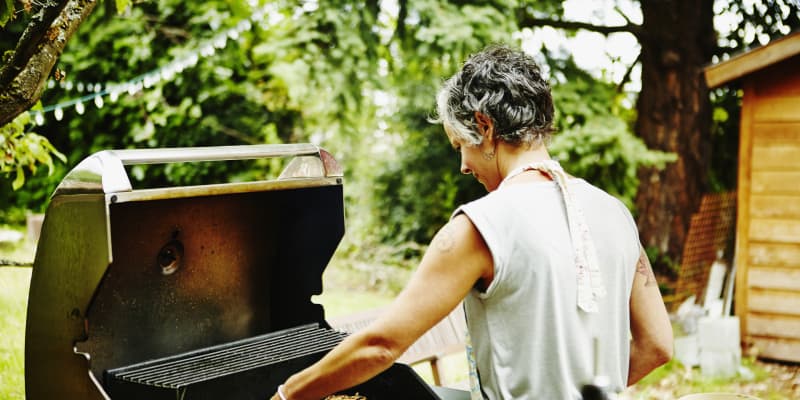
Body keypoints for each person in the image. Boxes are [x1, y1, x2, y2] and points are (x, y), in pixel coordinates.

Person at [270, 44, 673, 400]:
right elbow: (657, 345)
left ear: (485, 126)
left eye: (461, 144)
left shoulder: (483, 225)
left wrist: (289, 394)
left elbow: (381, 345)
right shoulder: (614, 212)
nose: (463, 165)